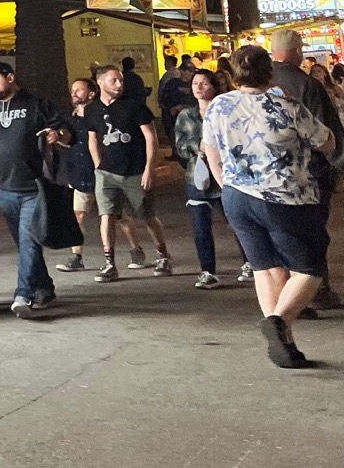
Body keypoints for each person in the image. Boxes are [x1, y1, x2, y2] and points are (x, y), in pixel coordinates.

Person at [201, 46, 339, 368]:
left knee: (265, 266)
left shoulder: (219, 106)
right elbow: (326, 141)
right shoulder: (285, 106)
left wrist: (227, 185)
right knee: (309, 268)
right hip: (284, 197)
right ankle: (278, 322)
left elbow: (212, 152)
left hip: (236, 197)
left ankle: (283, 342)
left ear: (232, 74)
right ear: (270, 72)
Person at [0, 62, 66, 317]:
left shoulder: (36, 105)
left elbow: (65, 129)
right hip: (4, 189)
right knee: (26, 245)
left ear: (10, 77)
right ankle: (44, 289)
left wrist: (57, 134)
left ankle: (23, 294)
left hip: (33, 188)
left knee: (29, 241)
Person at [269, 29, 343, 310]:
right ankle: (316, 291)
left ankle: (285, 296)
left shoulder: (260, 84)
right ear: (298, 52)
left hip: (268, 176)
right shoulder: (306, 85)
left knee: (282, 235)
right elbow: (327, 132)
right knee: (312, 234)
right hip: (309, 172)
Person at [87, 63, 173, 280]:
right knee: (106, 215)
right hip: (106, 173)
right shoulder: (92, 109)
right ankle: (109, 262)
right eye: (113, 80)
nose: (119, 84)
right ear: (100, 82)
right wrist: (98, 164)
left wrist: (149, 169)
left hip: (134, 171)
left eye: (121, 80)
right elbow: (92, 139)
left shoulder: (135, 106)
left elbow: (150, 138)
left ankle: (163, 255)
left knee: (147, 215)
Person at [56, 78, 141, 274]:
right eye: (73, 89)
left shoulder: (101, 116)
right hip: (79, 174)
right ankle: (76, 256)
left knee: (119, 216)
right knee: (78, 215)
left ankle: (136, 249)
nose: (74, 93)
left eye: (79, 89)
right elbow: (67, 142)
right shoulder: (69, 119)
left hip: (105, 173)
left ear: (91, 93)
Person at [174, 67, 247, 288]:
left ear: (214, 86)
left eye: (204, 83)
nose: (198, 87)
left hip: (226, 175)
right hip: (197, 177)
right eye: (195, 83)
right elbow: (180, 145)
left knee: (238, 223)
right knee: (200, 227)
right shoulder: (186, 115)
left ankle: (250, 262)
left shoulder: (225, 111)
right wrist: (199, 147)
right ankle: (207, 270)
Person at [156, 55, 197, 144]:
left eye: (192, 71)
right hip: (173, 116)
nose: (190, 73)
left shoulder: (195, 84)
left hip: (191, 117)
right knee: (174, 136)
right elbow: (165, 98)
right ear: (181, 71)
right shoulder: (172, 83)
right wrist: (171, 108)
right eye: (188, 71)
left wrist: (185, 106)